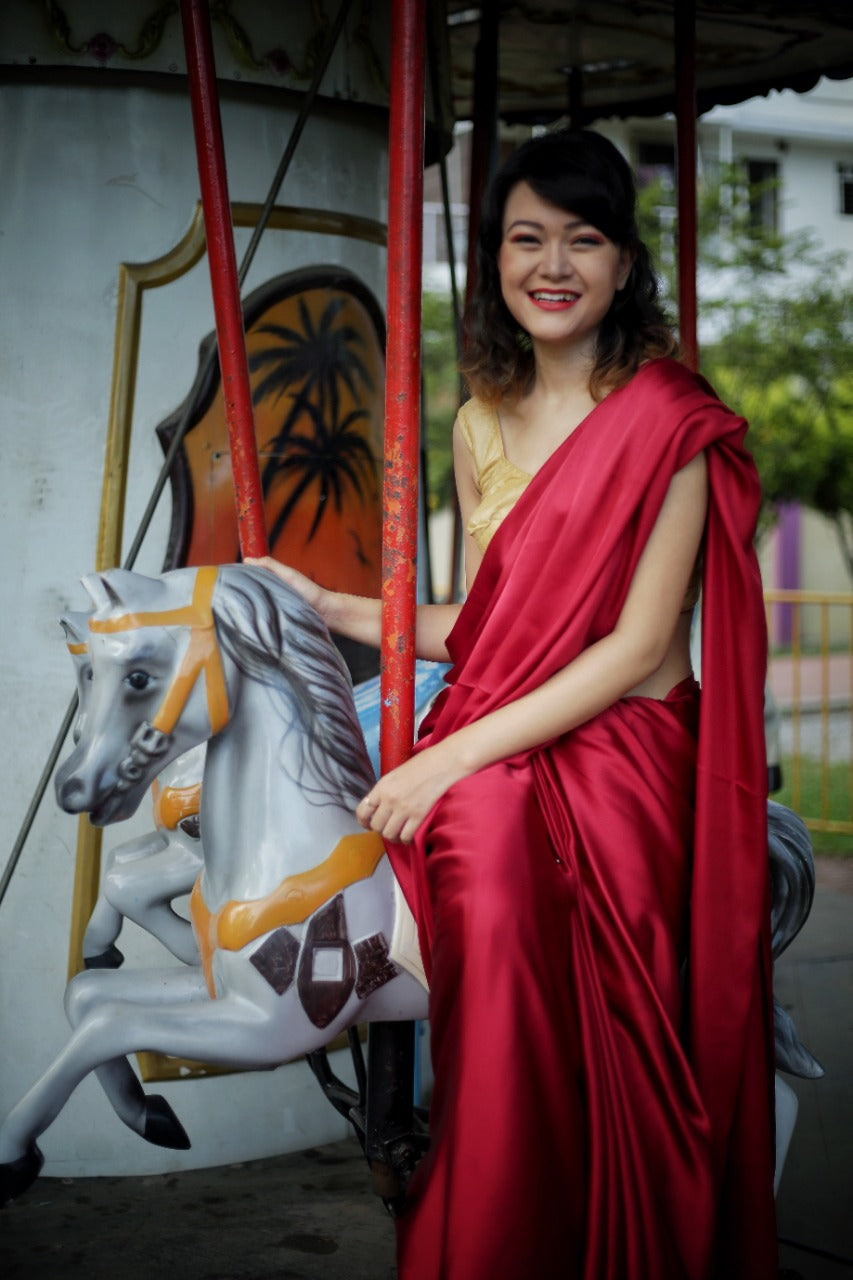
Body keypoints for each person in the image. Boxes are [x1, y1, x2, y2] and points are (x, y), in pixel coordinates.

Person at [251, 129, 777, 1279]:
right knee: (426, 829)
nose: (553, 263)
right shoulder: (478, 423)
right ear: (492, 257)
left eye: (582, 239)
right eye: (525, 237)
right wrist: (332, 603)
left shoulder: (668, 421)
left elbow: (635, 646)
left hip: (625, 744)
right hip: (505, 726)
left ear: (624, 263)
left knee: (475, 829)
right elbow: (490, 627)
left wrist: (446, 758)